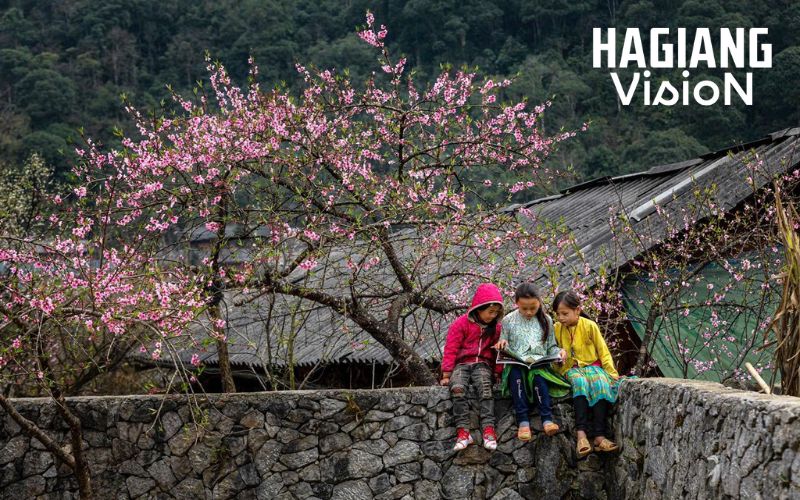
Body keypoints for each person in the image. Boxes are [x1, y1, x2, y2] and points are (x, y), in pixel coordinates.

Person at [494, 283, 570, 441]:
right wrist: (502, 345)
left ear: (539, 303)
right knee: (516, 378)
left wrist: (560, 352)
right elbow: (504, 341)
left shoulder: (546, 320)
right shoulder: (508, 320)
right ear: (516, 304)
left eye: (533, 308)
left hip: (538, 364)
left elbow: (551, 347)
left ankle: (547, 419)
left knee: (539, 379)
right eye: (524, 309)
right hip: (517, 364)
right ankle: (523, 422)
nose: (528, 312)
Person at [552, 290, 620, 457]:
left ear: (577, 310)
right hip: (571, 369)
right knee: (580, 383)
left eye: (565, 313)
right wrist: (558, 356)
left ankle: (599, 435)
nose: (561, 318)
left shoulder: (590, 326)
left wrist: (611, 373)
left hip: (593, 366)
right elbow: (552, 351)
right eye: (558, 314)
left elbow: (603, 351)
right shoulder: (556, 329)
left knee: (601, 384)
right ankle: (581, 434)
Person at [440, 283, 504, 451]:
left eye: (496, 312)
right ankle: (463, 432)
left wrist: (498, 372)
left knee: (485, 388)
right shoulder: (461, 324)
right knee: (458, 388)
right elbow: (451, 348)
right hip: (461, 364)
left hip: (482, 364)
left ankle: (489, 430)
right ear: (479, 308)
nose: (493, 315)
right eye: (490, 312)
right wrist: (447, 373)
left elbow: (498, 352)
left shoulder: (496, 329)